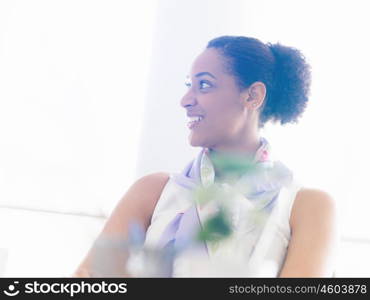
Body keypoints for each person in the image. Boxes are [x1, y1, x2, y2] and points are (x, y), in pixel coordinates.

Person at [73, 36, 339, 277]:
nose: (185, 100)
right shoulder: (152, 192)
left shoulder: (305, 206)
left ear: (253, 95)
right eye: (189, 85)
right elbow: (89, 280)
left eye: (204, 85)